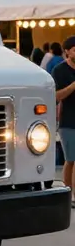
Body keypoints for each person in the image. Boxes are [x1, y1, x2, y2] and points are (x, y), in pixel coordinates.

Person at [52, 36, 75, 207]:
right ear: (67, 51)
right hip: (68, 121)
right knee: (71, 159)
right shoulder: (60, 70)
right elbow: (56, 96)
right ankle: (69, 192)